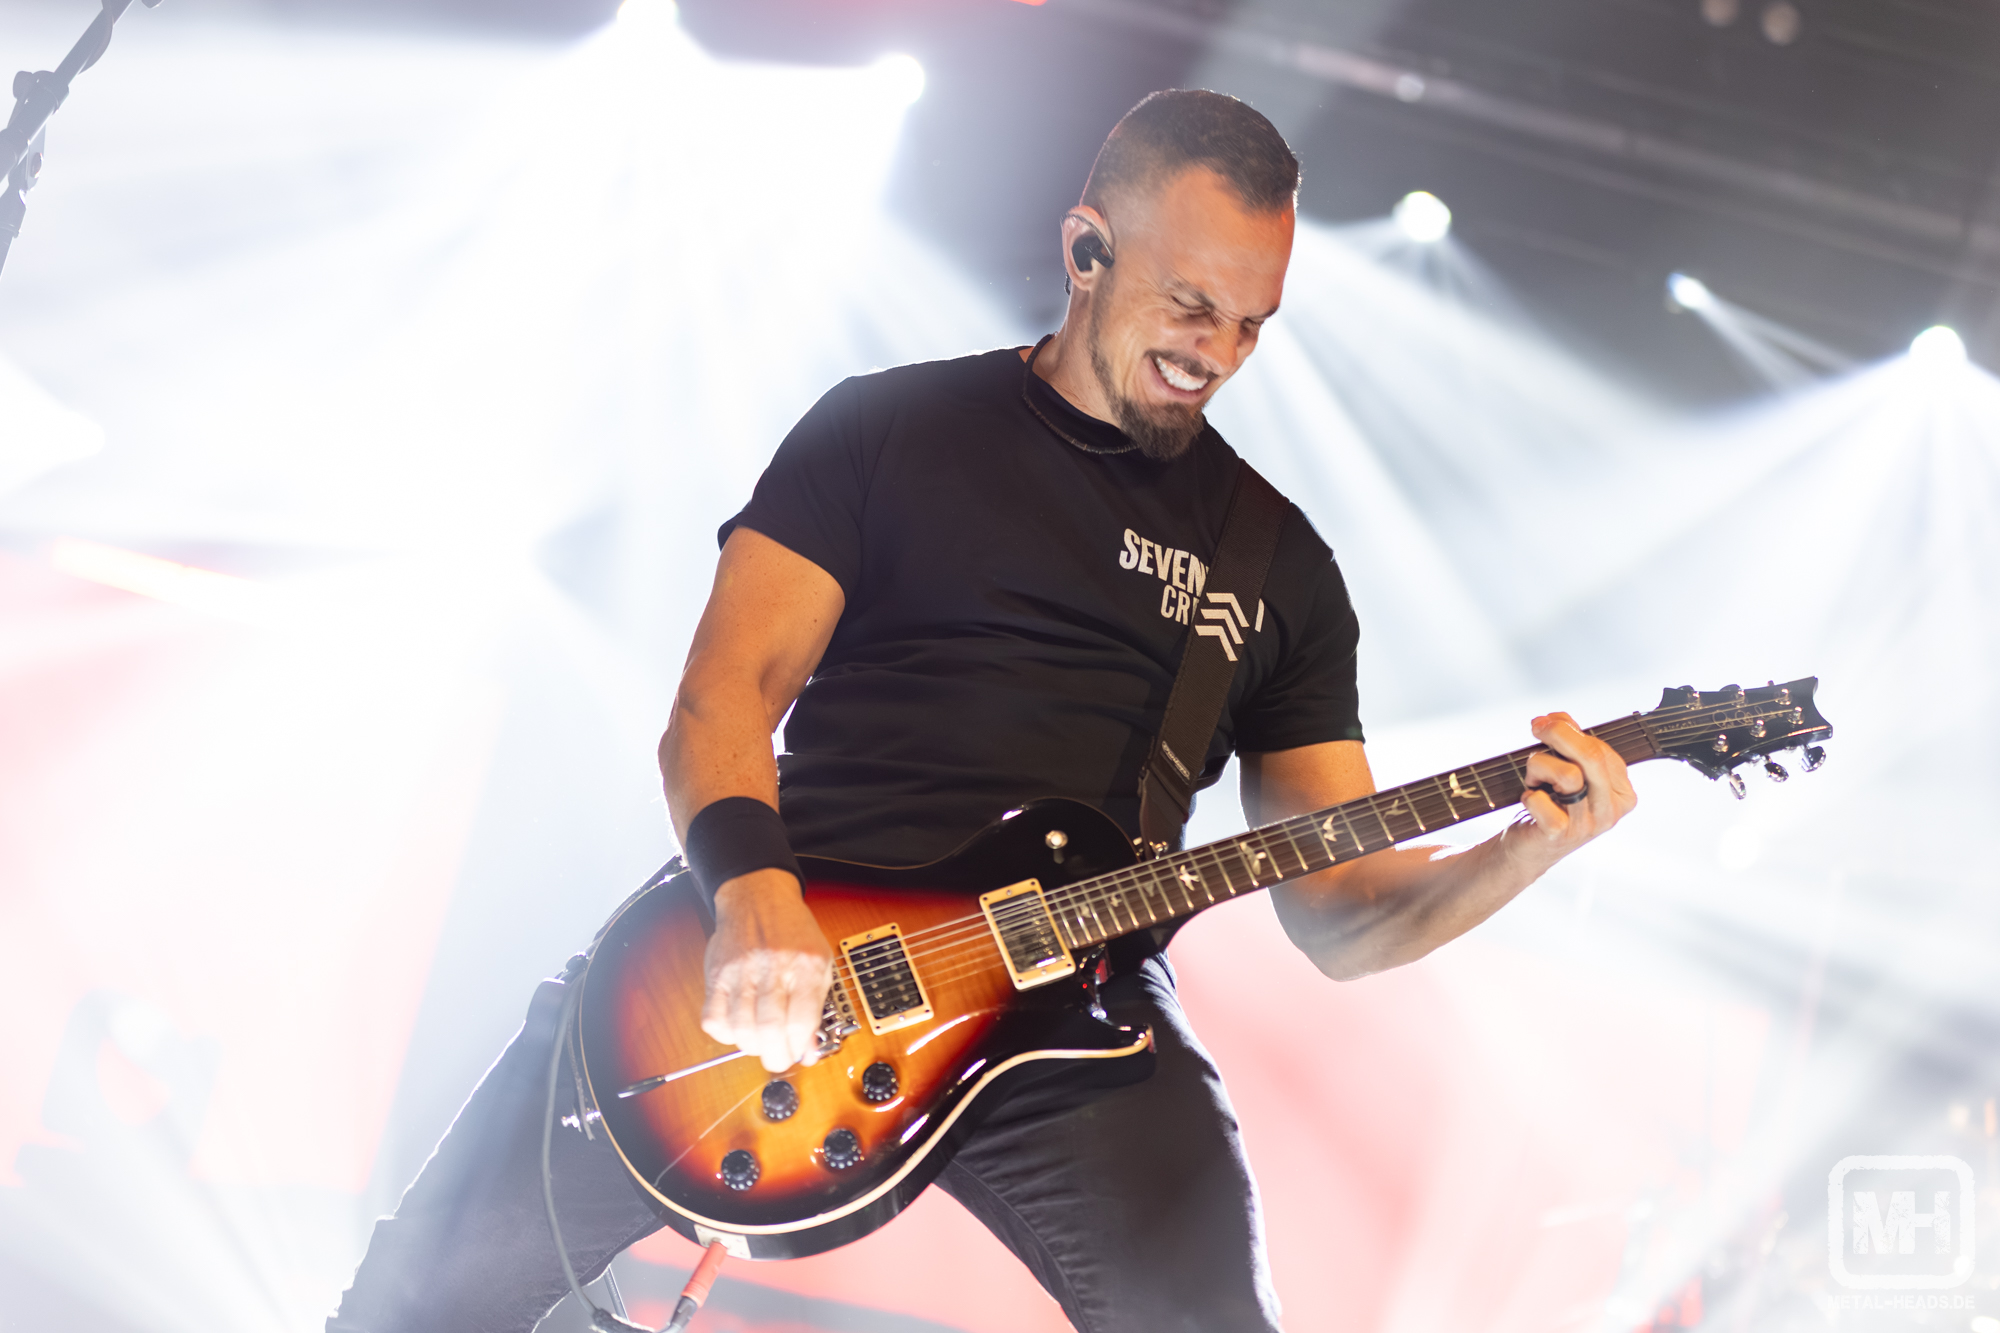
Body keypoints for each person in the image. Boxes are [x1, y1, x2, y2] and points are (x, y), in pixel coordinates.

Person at [329, 89, 1636, 1333]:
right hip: (789, 932)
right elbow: (723, 695)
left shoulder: (1278, 564)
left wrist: (1522, 846)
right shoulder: (886, 429)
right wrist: (750, 892)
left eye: (1252, 323)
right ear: (1086, 248)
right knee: (408, 1305)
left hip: (1077, 1006)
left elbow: (1342, 919)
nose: (1217, 353)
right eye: (1190, 304)